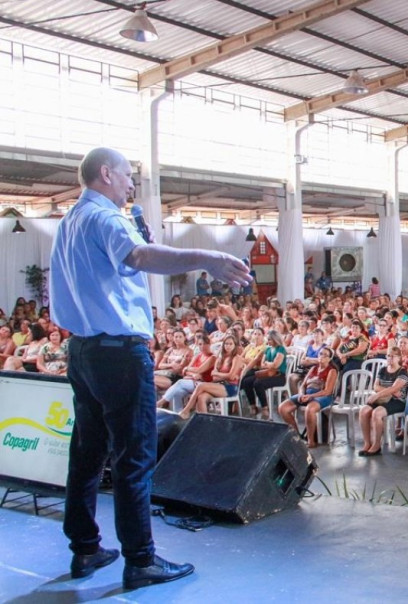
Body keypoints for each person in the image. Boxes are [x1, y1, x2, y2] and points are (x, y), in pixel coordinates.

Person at [50, 147, 250, 588]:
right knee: (133, 457)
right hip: (119, 354)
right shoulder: (105, 219)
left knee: (87, 452)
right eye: (126, 175)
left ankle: (84, 548)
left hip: (82, 351)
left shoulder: (69, 222)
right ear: (105, 174)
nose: (131, 184)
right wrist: (209, 258)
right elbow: (139, 258)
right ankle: (140, 559)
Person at [279, 348, 338, 447]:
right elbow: (303, 385)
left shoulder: (331, 370)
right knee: (283, 408)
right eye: (320, 354)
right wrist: (301, 394)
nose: (321, 356)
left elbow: (328, 391)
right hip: (307, 394)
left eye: (325, 355)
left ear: (329, 359)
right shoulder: (313, 368)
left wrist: (310, 396)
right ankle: (297, 436)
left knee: (309, 409)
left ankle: (311, 441)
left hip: (323, 396)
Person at [358, 347, 408, 456]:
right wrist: (388, 391)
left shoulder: (403, 372)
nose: (390, 358)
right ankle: (367, 443)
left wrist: (382, 393)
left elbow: (394, 389)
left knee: (377, 413)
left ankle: (377, 445)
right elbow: (376, 386)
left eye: (393, 356)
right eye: (388, 355)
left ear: (399, 358)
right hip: (382, 399)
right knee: (364, 411)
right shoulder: (382, 369)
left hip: (397, 401)